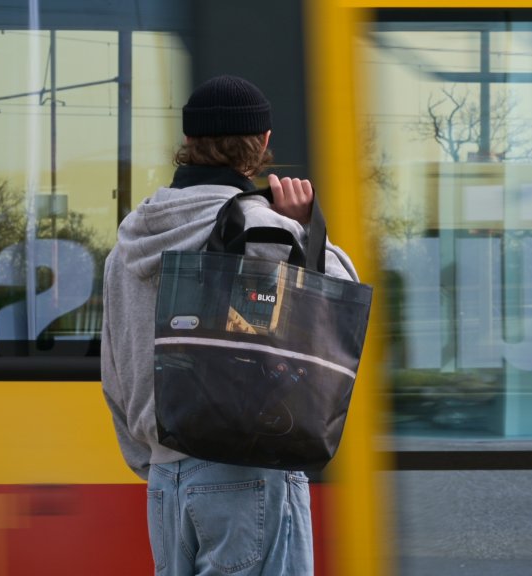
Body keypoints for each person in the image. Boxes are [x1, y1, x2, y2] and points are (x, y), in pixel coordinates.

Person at [100, 74, 359, 576]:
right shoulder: (264, 232)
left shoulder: (127, 246)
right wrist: (304, 227)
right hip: (248, 473)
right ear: (262, 144)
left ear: (189, 144)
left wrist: (157, 458)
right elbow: (342, 306)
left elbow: (116, 371)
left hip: (165, 480)